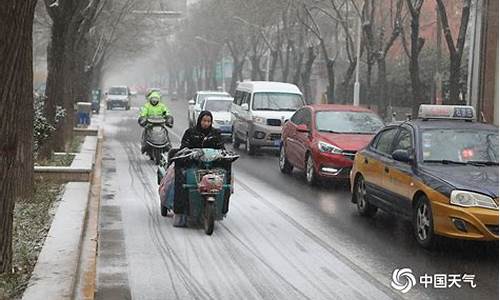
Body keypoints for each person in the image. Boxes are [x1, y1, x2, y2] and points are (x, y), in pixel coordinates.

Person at [173, 111, 226, 227]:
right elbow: (184, 147)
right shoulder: (190, 132)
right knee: (182, 178)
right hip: (193, 164)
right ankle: (181, 212)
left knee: (225, 175)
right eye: (204, 121)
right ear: (199, 121)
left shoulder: (215, 133)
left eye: (208, 121)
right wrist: (190, 153)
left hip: (212, 165)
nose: (206, 123)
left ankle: (223, 208)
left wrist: (221, 155)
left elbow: (222, 148)